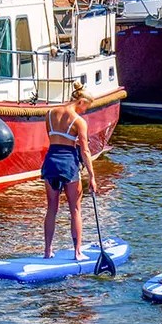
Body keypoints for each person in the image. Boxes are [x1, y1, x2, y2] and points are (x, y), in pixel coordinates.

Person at [40, 83, 100, 260]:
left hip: (50, 161)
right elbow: (85, 151)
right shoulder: (79, 121)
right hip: (68, 164)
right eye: (85, 107)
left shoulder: (49, 114)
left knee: (52, 208)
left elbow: (52, 139)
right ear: (81, 101)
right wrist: (92, 176)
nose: (84, 111)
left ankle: (47, 251)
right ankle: (77, 252)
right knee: (75, 208)